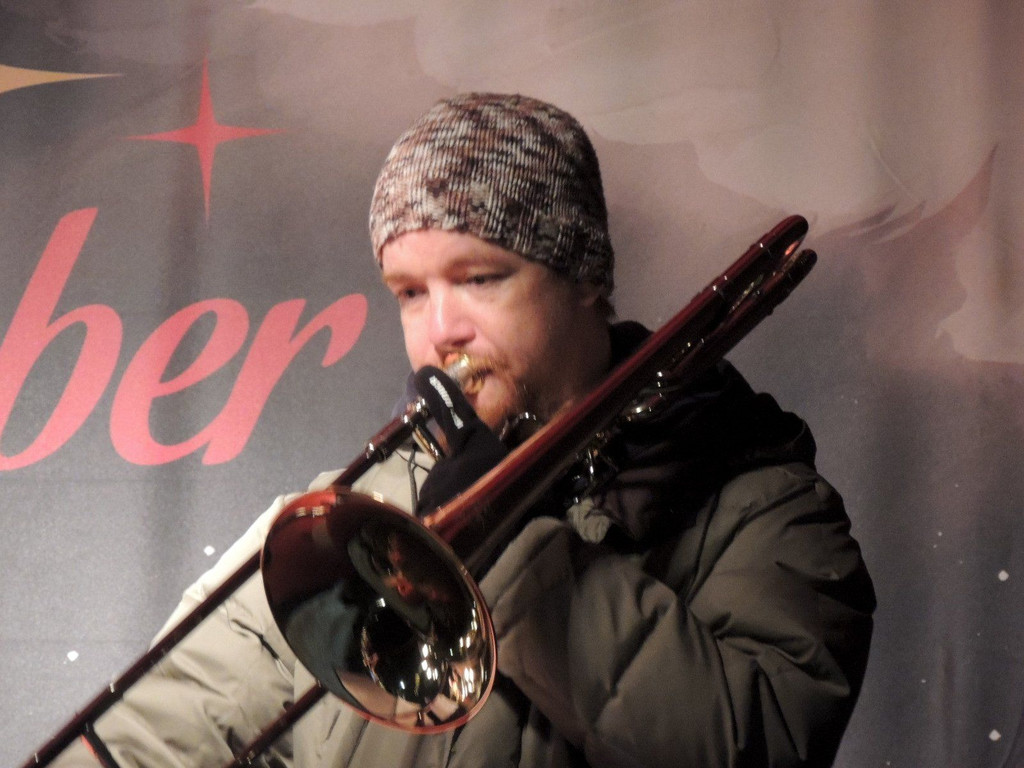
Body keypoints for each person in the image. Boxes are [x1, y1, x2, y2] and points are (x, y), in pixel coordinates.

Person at [55, 93, 875, 768]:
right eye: (410, 293)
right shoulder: (352, 511)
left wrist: (508, 549)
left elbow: (755, 744)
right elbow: (167, 724)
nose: (440, 331)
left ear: (585, 277)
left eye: (480, 278)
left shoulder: (765, 509)